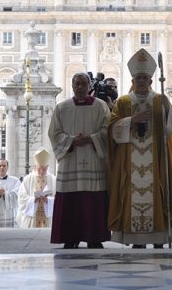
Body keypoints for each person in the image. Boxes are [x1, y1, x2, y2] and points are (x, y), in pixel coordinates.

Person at [108, 48, 172, 249]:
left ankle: (159, 237)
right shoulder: (123, 102)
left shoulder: (159, 100)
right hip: (130, 164)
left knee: (159, 193)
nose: (142, 82)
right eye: (138, 78)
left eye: (145, 78)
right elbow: (111, 129)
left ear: (151, 81)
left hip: (156, 163)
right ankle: (136, 240)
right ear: (132, 81)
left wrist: (167, 113)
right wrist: (130, 121)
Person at [48, 73, 112, 249]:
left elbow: (108, 129)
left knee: (94, 200)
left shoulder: (101, 106)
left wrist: (92, 138)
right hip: (71, 158)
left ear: (89, 85)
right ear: (72, 85)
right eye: (77, 84)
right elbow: (54, 133)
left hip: (93, 158)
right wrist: (71, 141)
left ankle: (94, 237)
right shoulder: (62, 108)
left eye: (84, 83)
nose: (80, 87)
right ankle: (70, 237)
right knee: (71, 199)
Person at [18, 150, 56, 229]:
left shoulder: (53, 180)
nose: (42, 171)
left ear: (47, 167)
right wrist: (33, 200)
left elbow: (59, 198)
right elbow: (21, 197)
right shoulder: (28, 179)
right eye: (39, 169)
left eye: (44, 169)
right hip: (32, 218)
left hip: (48, 219)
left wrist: (48, 200)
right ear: (35, 167)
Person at [0, 159, 20, 228]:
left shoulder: (15, 180)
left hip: (8, 212)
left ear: (7, 167)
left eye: (4, 166)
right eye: (0, 166)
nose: (2, 168)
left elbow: (17, 195)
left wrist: (5, 194)